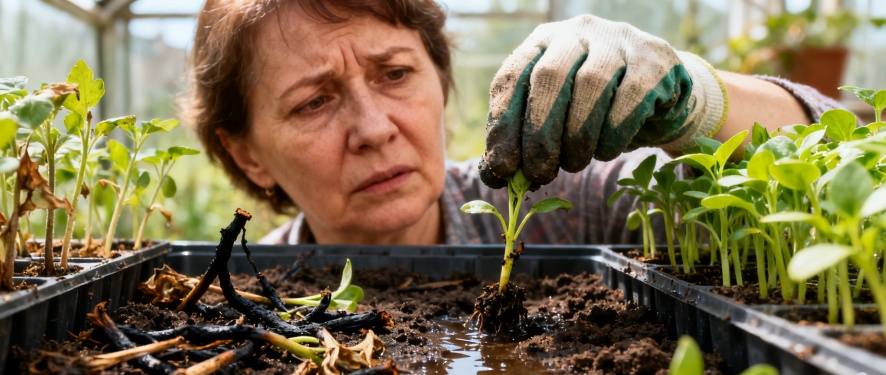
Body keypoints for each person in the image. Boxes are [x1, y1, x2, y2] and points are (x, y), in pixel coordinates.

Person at [183, 0, 837, 246]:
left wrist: (704, 104)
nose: (374, 127)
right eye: (314, 101)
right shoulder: (233, 300)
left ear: (441, 81)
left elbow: (843, 171)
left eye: (395, 74)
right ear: (247, 156)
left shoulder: (565, 206)